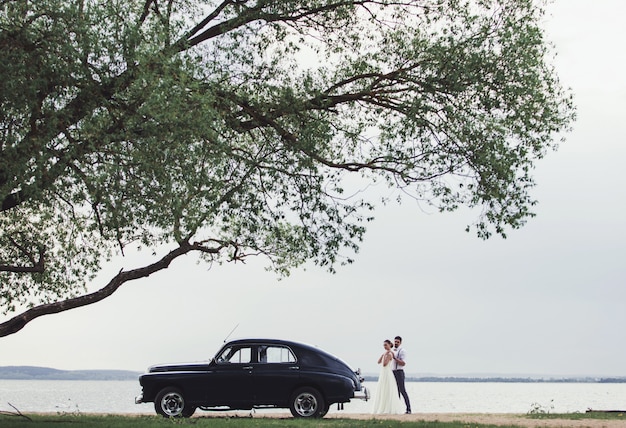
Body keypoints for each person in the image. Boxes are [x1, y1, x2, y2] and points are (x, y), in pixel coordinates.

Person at [371, 339, 403, 414]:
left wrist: (385, 356)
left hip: (387, 372)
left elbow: (384, 364)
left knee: (388, 388)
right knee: (382, 388)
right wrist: (382, 355)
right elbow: (378, 362)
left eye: (386, 345)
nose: (384, 346)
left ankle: (388, 407)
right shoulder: (385, 353)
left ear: (389, 345)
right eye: (384, 345)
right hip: (383, 372)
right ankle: (381, 406)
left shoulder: (390, 354)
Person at [393, 335, 412, 414]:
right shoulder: (392, 350)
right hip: (393, 372)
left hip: (399, 372)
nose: (396, 343)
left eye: (397, 342)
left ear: (400, 343)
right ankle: (397, 408)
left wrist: (395, 359)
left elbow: (403, 363)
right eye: (395, 342)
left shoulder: (402, 351)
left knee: (402, 390)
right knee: (395, 391)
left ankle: (408, 408)